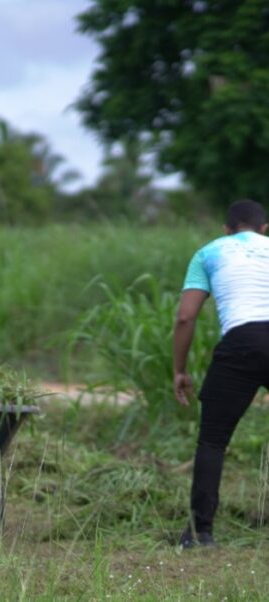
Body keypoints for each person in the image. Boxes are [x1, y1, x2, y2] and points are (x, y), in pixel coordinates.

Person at [173, 199, 269, 548]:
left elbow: (185, 317)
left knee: (213, 440)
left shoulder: (209, 252)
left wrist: (179, 370)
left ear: (226, 229)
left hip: (241, 343)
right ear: (264, 229)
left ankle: (202, 533)